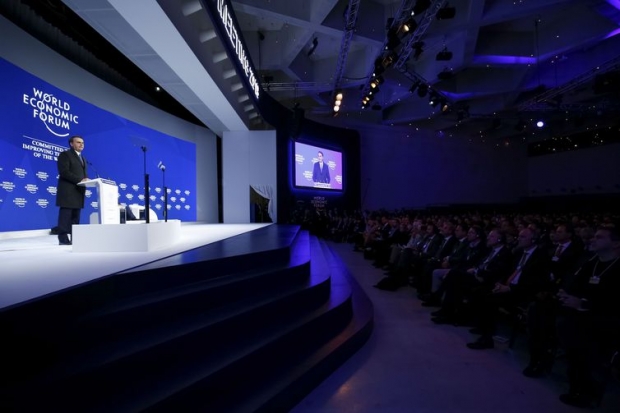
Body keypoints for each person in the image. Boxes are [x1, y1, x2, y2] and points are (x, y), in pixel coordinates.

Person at [56, 135, 89, 245]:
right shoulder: (65, 155)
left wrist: (85, 181)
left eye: (82, 143)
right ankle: (63, 238)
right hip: (68, 191)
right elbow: (64, 172)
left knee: (76, 217)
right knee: (65, 216)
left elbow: (83, 174)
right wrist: (80, 180)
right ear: (71, 144)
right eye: (78, 142)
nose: (81, 144)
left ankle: (76, 238)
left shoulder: (83, 158)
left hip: (78, 191)